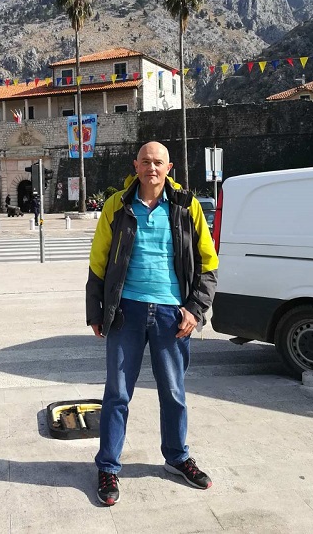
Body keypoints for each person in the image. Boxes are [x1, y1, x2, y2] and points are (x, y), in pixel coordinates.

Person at [86, 141, 218, 506]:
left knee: (173, 392)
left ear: (169, 168)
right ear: (135, 166)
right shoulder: (117, 205)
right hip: (125, 312)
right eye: (145, 161)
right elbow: (98, 260)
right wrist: (96, 310)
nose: (152, 167)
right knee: (117, 394)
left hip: (172, 315)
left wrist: (195, 309)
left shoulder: (186, 206)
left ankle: (177, 457)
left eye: (158, 162)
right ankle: (108, 466)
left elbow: (208, 262)